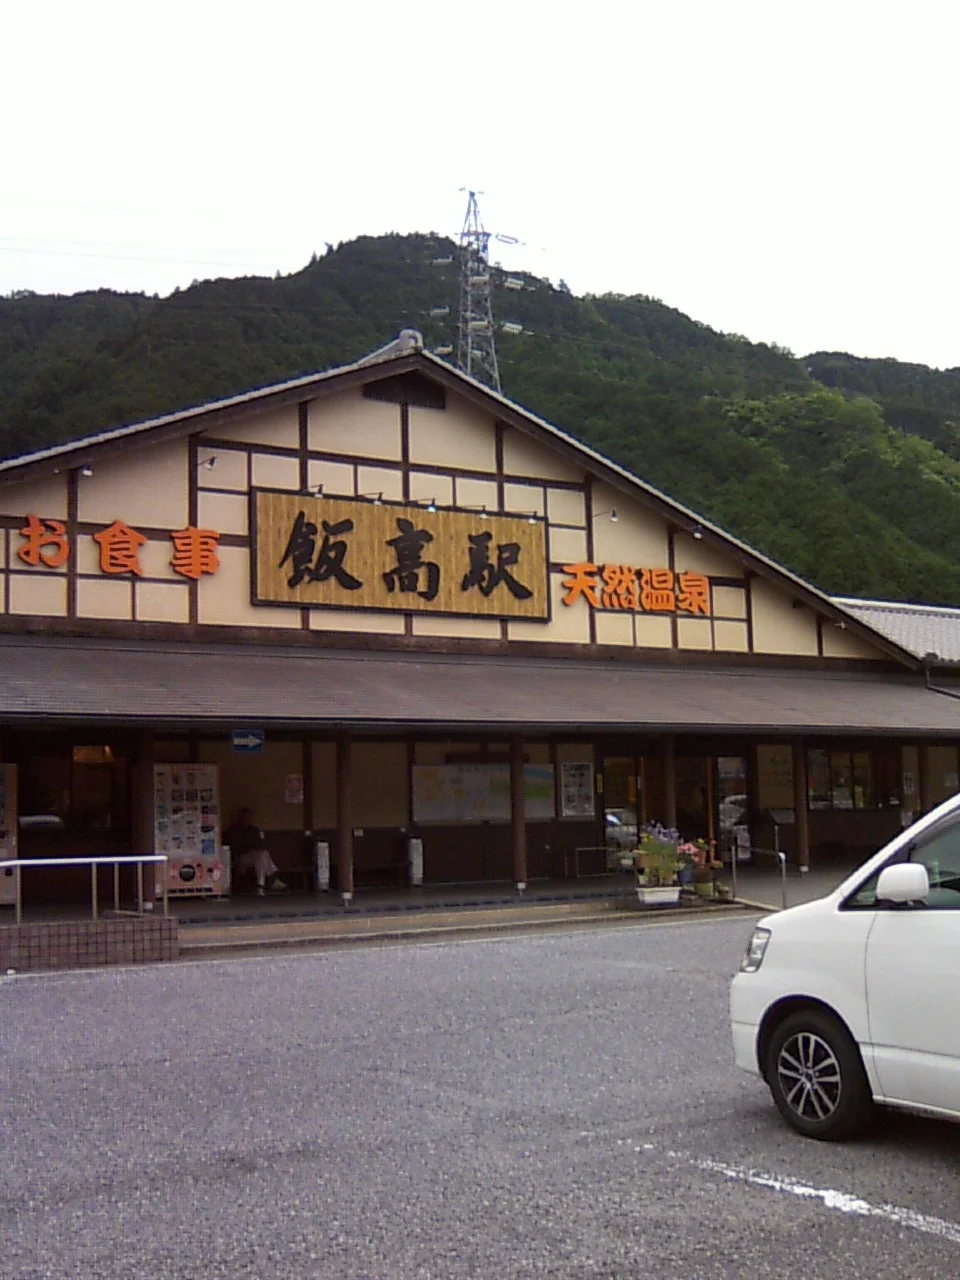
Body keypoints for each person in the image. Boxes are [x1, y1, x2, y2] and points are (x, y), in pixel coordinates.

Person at [223, 808, 287, 896]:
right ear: (240, 818)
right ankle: (273, 877)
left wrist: (255, 850)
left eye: (249, 817)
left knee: (262, 856)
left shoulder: (254, 830)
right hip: (241, 857)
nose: (247, 819)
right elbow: (231, 848)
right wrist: (237, 861)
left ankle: (260, 885)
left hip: (254, 856)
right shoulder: (233, 830)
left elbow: (260, 844)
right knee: (262, 856)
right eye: (245, 817)